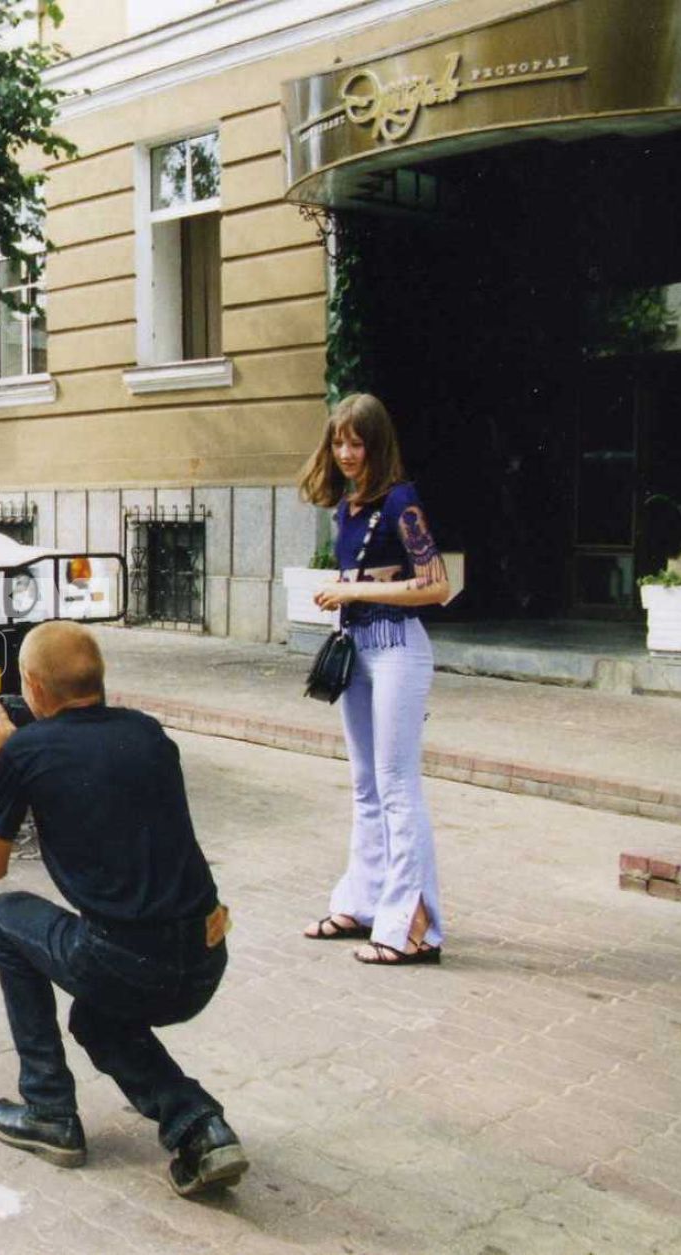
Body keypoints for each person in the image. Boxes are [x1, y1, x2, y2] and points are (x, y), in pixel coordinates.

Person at [0, 622, 247, 1198]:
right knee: (96, 1019)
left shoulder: (24, 751)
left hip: (125, 961)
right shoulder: (148, 734)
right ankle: (200, 1127)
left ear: (33, 687)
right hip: (203, 956)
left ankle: (49, 1110)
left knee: (6, 916)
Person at [299, 393, 452, 965]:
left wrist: (353, 588)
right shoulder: (349, 506)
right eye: (338, 441)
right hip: (358, 651)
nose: (345, 452)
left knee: (395, 785)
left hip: (397, 651)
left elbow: (436, 586)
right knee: (365, 784)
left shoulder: (401, 502)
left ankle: (415, 926)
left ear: (377, 443)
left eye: (356, 442)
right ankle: (362, 905)